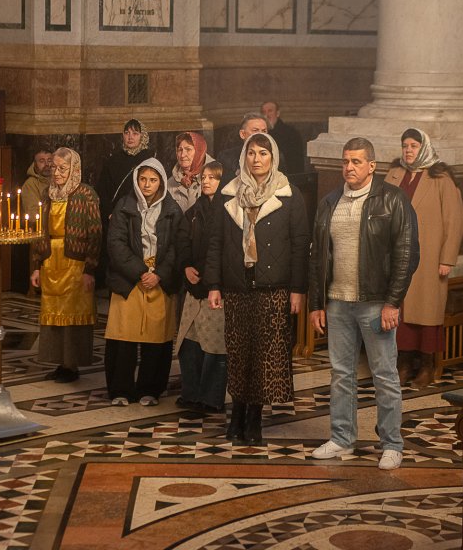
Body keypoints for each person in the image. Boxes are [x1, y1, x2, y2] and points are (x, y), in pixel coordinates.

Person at [307, 137, 419, 471]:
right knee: (341, 374)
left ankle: (392, 444)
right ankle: (341, 438)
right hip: (337, 303)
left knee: (384, 375)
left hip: (376, 303)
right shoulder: (330, 202)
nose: (349, 167)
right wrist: (317, 303)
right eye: (345, 161)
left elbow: (407, 253)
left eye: (356, 162)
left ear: (372, 166)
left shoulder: (393, 199)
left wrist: (393, 302)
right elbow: (318, 258)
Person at [206, 133, 310, 445]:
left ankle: (254, 418)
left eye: (263, 153)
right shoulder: (228, 194)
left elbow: (300, 246)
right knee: (239, 353)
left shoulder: (289, 195)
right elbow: (216, 243)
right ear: (244, 157)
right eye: (251, 153)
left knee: (265, 356)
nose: (257, 159)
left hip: (274, 288)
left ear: (273, 157)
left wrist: (298, 289)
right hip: (237, 286)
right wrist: (213, 285)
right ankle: (236, 412)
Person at [385, 128, 463, 388]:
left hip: (429, 258)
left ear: (424, 147)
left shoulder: (440, 177)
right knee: (401, 311)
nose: (408, 150)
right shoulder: (394, 173)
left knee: (426, 311)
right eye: (405, 145)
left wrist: (447, 259)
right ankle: (404, 364)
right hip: (397, 255)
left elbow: (454, 220)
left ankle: (427, 366)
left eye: (414, 146)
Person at [104, 157, 183, 406]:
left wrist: (159, 273)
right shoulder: (124, 206)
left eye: (153, 180)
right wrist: (140, 271)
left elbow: (177, 247)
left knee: (157, 338)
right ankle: (120, 390)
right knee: (122, 337)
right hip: (129, 278)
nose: (147, 185)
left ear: (161, 183)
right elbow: (115, 243)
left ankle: (150, 389)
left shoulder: (172, 210)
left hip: (159, 278)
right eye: (142, 179)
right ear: (136, 180)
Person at [30, 147, 101, 383]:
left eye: (63, 168)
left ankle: (72, 364)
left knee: (73, 315)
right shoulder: (47, 193)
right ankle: (59, 362)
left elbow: (95, 234)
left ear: (74, 169)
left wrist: (89, 269)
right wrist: (37, 266)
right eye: (54, 168)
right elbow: (40, 230)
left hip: (75, 263)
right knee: (53, 313)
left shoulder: (86, 194)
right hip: (51, 260)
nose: (57, 173)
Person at [175, 161, 227, 412]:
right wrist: (186, 266)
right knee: (189, 343)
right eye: (203, 177)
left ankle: (210, 398)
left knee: (214, 347)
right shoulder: (194, 211)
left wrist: (211, 277)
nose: (206, 181)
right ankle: (191, 393)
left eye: (212, 178)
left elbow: (224, 250)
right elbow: (182, 241)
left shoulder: (228, 211)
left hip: (216, 289)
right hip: (193, 287)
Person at [95, 119, 154, 285]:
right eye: (127, 133)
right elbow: (102, 191)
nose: (130, 137)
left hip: (142, 218)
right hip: (116, 218)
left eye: (135, 133)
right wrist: (110, 213)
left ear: (142, 136)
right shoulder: (113, 161)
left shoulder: (150, 160)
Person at [169, 132, 215, 212]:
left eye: (188, 149)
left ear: (199, 151)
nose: (182, 155)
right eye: (180, 150)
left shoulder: (217, 178)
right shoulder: (169, 184)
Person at [215, 113, 270, 178]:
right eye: (255, 130)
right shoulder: (225, 158)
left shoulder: (276, 156)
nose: (261, 135)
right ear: (242, 134)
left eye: (264, 131)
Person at [261, 101, 305, 174]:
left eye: (270, 111)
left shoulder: (291, 133)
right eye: (263, 112)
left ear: (278, 113)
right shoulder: (261, 134)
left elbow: (295, 162)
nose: (266, 115)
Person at [21, 146, 53, 221]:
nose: (47, 164)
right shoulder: (30, 184)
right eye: (42, 161)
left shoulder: (59, 180)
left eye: (49, 160)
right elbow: (32, 215)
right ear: (35, 164)